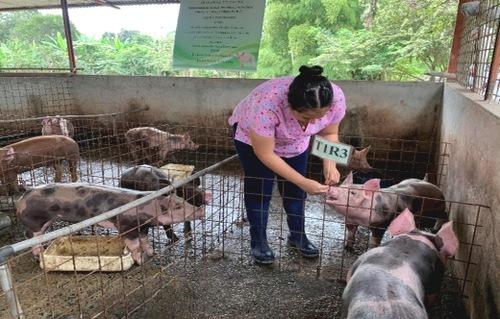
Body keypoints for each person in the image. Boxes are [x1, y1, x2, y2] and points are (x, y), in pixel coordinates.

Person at [228, 65, 347, 264]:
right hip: (253, 140)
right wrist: (302, 180)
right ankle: (258, 241)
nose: (312, 123)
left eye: (319, 118)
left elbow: (329, 133)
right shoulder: (267, 104)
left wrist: (331, 163)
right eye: (306, 118)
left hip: (295, 142)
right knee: (260, 188)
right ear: (289, 106)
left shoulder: (336, 97)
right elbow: (264, 153)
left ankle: (298, 235)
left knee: (295, 191)